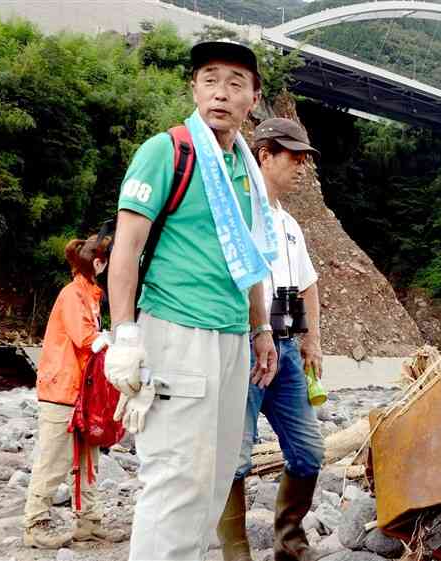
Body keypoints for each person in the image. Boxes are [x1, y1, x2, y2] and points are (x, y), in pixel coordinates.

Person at [105, 40, 279, 560]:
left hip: (231, 339)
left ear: (254, 97)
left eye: (235, 82)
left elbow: (249, 257)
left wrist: (261, 328)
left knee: (215, 479)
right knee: (177, 480)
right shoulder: (167, 151)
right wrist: (125, 336)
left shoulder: (246, 167)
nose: (220, 93)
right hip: (177, 332)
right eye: (209, 79)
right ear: (193, 88)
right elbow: (126, 250)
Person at [217, 118, 325, 561]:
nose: (302, 168)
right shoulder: (237, 209)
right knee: (235, 457)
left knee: (308, 452)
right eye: (294, 158)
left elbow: (308, 285)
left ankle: (290, 544)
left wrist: (312, 339)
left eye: (305, 160)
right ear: (264, 154)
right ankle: (236, 554)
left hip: (285, 349)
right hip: (242, 346)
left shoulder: (290, 225)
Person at [24, 234, 122, 548]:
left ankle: (88, 522)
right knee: (54, 459)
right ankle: (35, 523)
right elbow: (87, 340)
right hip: (62, 390)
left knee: (88, 458)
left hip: (80, 390)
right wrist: (124, 341)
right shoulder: (73, 294)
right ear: (98, 262)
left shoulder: (88, 293)